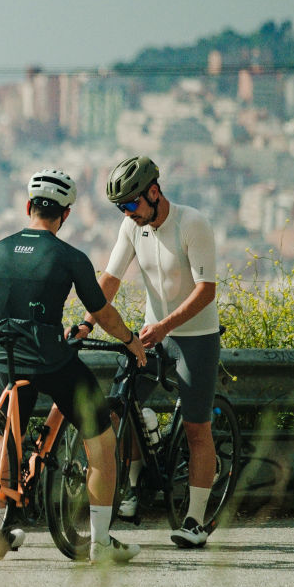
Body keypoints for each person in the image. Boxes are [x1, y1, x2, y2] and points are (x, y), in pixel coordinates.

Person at [0, 168, 145, 564]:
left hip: (7, 360)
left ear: (28, 206)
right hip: (51, 361)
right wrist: (130, 339)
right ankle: (100, 543)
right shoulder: (70, 257)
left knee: (5, 443)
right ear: (66, 214)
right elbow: (102, 313)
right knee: (102, 443)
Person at [87, 155, 220, 549]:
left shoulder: (192, 223)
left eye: (131, 204)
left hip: (196, 337)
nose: (128, 213)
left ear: (154, 192)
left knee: (197, 429)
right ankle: (133, 487)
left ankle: (195, 520)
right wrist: (87, 322)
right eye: (121, 208)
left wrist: (166, 326)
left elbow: (206, 290)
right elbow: (110, 280)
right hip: (153, 335)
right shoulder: (132, 226)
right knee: (117, 409)